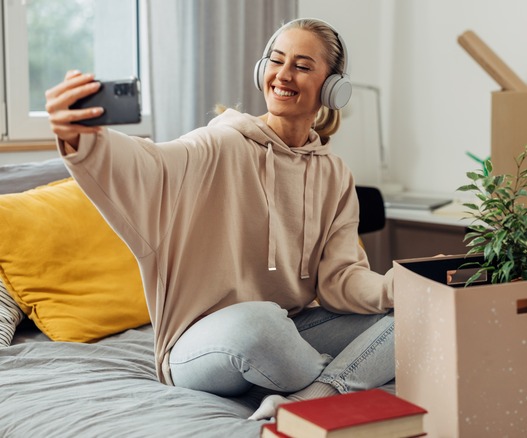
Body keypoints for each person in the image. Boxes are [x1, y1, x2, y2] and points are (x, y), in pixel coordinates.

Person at [45, 18, 395, 420]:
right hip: (200, 346)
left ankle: (315, 395)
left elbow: (340, 279)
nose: (283, 75)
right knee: (261, 323)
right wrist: (81, 138)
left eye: (301, 66)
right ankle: (338, 376)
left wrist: (395, 287)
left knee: (414, 320)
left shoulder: (334, 173)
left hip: (290, 330)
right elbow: (150, 166)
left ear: (333, 87)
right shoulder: (220, 143)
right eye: (276, 61)